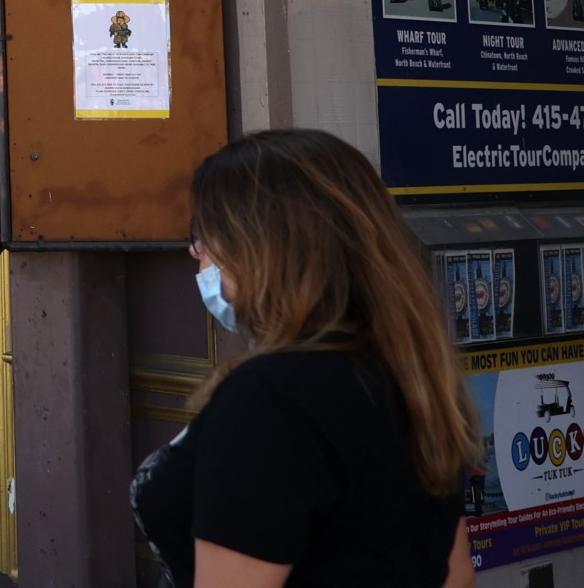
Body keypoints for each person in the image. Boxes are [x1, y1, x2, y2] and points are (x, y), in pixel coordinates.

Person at [131, 130, 475, 587]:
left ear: (266, 248)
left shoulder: (269, 397)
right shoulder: (411, 373)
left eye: (208, 233)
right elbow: (457, 576)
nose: (197, 251)